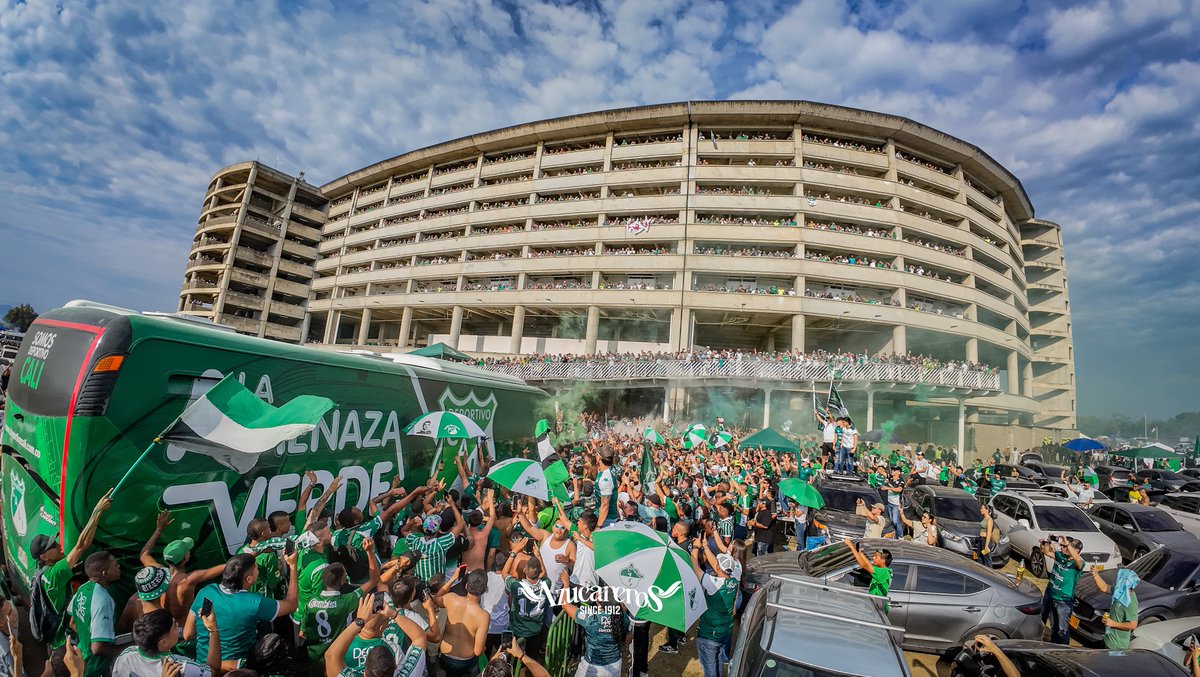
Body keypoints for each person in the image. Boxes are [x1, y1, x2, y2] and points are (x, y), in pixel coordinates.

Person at [184, 549, 299, 668]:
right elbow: (291, 604)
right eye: (257, 569)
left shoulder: (205, 592)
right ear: (249, 579)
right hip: (237, 669)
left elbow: (188, 634)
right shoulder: (254, 602)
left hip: (203, 669)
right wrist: (293, 566)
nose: (258, 571)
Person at [29, 491, 112, 649]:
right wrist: (97, 511)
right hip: (66, 643)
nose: (59, 545)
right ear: (44, 557)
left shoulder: (41, 572)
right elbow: (82, 545)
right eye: (53, 546)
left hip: (55, 642)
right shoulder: (55, 573)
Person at [300, 538, 380, 663]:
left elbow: (302, 634)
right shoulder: (347, 600)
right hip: (339, 656)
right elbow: (374, 580)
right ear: (343, 581)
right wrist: (370, 552)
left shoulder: (310, 601)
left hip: (315, 659)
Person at [138, 512, 225, 625]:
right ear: (186, 558)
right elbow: (225, 567)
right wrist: (251, 551)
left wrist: (158, 530)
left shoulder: (158, 575)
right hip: (183, 631)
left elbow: (144, 554)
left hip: (166, 628)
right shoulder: (189, 580)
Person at [112, 608, 220, 677]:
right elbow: (213, 671)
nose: (177, 625)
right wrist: (213, 630)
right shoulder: (179, 667)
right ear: (163, 642)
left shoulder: (125, 655)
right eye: (174, 626)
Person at [66, 551, 122, 677]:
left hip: (81, 660)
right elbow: (97, 648)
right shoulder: (103, 600)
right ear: (105, 573)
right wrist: (124, 652)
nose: (119, 567)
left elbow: (72, 623)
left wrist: (87, 638)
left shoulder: (82, 589)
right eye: (115, 565)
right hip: (95, 669)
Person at [690, 537, 739, 677]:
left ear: (718, 567)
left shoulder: (714, 583)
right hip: (725, 630)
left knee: (710, 670)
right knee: (717, 661)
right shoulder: (734, 581)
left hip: (710, 634)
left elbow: (695, 567)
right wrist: (705, 546)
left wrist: (695, 547)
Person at [560, 578, 626, 677]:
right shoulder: (622, 616)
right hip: (615, 665)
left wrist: (566, 585)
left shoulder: (590, 618)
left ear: (597, 599)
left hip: (592, 667)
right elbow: (628, 638)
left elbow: (565, 604)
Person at [434, 568, 490, 677]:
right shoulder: (483, 616)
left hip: (446, 655)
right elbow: (478, 651)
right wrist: (484, 649)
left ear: (466, 586)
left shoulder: (451, 598)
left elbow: (437, 598)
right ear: (485, 590)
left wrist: (453, 579)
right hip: (466, 661)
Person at [503, 538, 549, 659]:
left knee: (514, 660)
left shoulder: (517, 585)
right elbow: (544, 573)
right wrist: (539, 556)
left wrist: (514, 552)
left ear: (524, 570)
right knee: (531, 660)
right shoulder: (546, 584)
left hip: (518, 631)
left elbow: (504, 573)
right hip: (535, 631)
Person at [1041, 536, 1084, 644]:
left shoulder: (1078, 563)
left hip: (1063, 601)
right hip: (1051, 595)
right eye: (1063, 546)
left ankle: (1062, 652)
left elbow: (1078, 561)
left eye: (1065, 547)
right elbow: (1046, 552)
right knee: (1051, 624)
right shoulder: (1060, 556)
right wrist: (1047, 542)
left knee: (1062, 630)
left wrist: (1068, 545)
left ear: (1076, 550)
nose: (1062, 548)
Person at [1089, 566, 1140, 650]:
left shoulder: (1131, 602)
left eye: (1120, 578)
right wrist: (1095, 574)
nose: (1117, 580)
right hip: (1108, 640)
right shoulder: (1119, 591)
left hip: (1117, 647)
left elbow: (1133, 625)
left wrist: (1113, 623)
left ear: (1125, 582)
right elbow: (1104, 587)